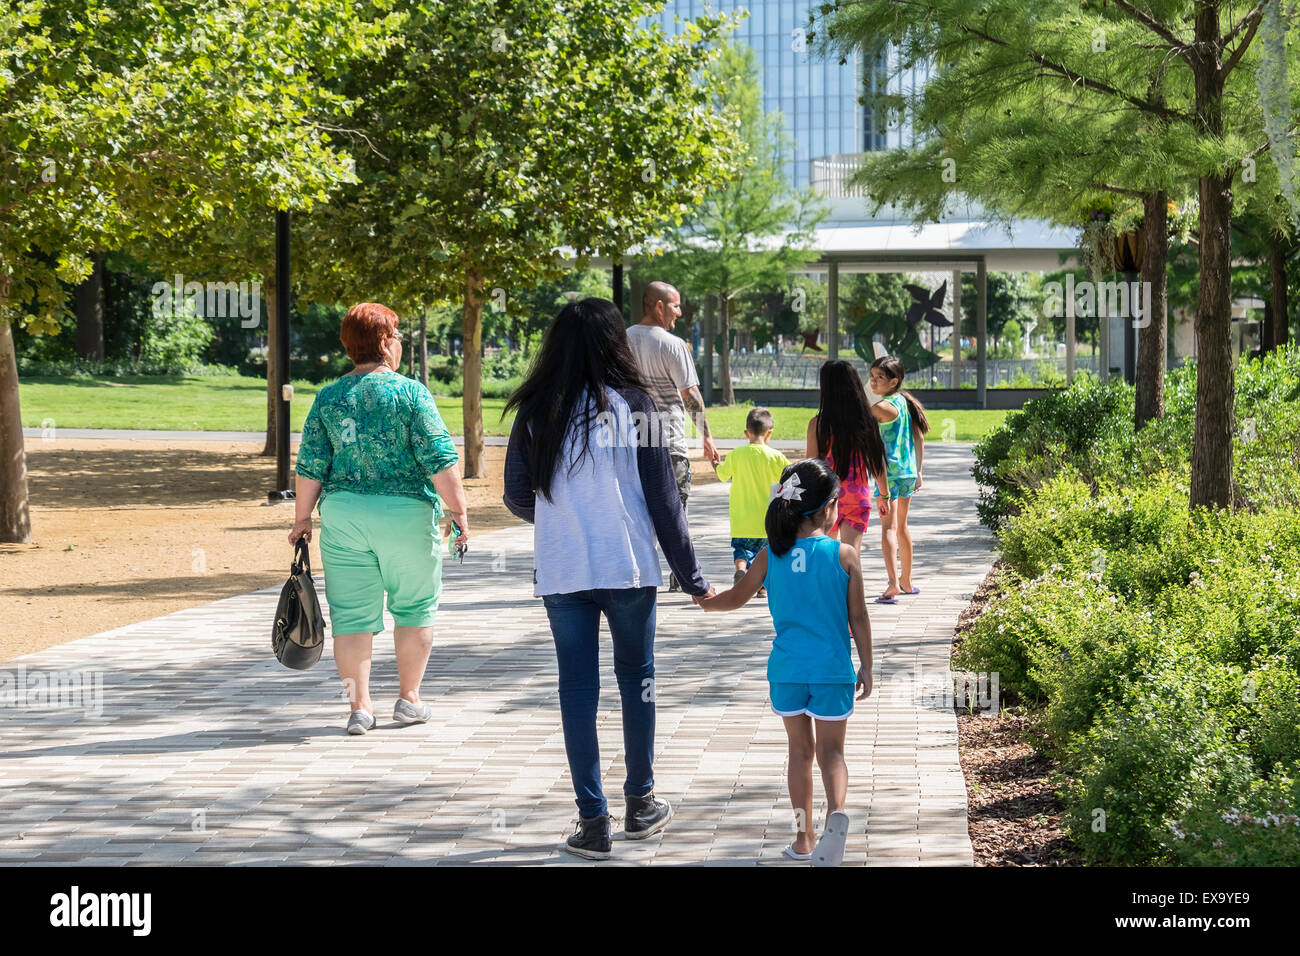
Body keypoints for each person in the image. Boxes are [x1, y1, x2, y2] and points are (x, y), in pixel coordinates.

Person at [503, 297, 714, 860]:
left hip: (563, 570)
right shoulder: (638, 404)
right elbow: (665, 501)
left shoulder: (535, 409)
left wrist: (560, 518)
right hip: (628, 568)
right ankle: (641, 803)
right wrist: (691, 577)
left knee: (577, 690)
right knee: (637, 682)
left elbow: (517, 494)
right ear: (616, 343)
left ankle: (592, 822)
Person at [290, 302, 469, 736]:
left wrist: (301, 520)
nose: (402, 343)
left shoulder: (329, 397)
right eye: (399, 336)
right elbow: (440, 459)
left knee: (351, 616)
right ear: (386, 342)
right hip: (406, 515)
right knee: (414, 608)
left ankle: (359, 707)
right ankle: (409, 700)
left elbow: (311, 464)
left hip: (346, 516)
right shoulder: (411, 393)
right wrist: (458, 513)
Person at [699, 458, 874, 867]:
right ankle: (836, 818)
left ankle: (803, 838)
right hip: (833, 672)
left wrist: (707, 604)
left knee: (800, 753)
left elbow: (736, 597)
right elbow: (859, 618)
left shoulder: (768, 555)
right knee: (833, 754)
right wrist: (866, 665)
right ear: (828, 509)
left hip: (788, 672)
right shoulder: (844, 555)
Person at [626, 280, 720, 591]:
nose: (679, 312)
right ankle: (683, 576)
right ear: (658, 306)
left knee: (635, 509)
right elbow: (690, 394)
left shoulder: (621, 340)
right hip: (668, 441)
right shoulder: (673, 344)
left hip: (631, 441)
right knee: (675, 513)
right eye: (676, 306)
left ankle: (635, 573)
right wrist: (706, 436)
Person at [805, 360, 890, 564]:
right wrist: (884, 495)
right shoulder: (866, 423)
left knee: (826, 559)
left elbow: (812, 466)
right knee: (852, 558)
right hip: (857, 497)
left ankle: (829, 596)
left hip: (827, 499)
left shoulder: (818, 425)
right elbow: (877, 462)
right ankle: (853, 596)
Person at [867, 355, 930, 603]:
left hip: (889, 475)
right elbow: (919, 438)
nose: (873, 382)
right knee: (902, 527)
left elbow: (869, 444)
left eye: (879, 378)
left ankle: (893, 584)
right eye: (871, 377)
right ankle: (906, 581)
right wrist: (919, 471)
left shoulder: (879, 409)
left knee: (888, 529)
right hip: (907, 473)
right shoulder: (904, 402)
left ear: (894, 381)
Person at [713, 406, 788, 593]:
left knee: (741, 550)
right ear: (769, 432)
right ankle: (763, 586)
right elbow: (790, 479)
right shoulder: (777, 457)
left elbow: (722, 475)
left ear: (747, 433)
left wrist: (714, 463)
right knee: (766, 553)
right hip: (767, 520)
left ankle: (740, 570)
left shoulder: (736, 455)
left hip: (742, 519)